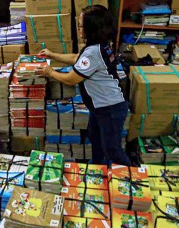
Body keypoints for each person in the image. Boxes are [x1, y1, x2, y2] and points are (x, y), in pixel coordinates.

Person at [35, 5, 131, 166]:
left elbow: (71, 79)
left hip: (110, 107)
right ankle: (98, 167)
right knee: (95, 136)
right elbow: (76, 58)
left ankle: (133, 177)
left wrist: (50, 72)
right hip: (100, 106)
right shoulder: (100, 44)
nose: (79, 29)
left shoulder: (93, 52)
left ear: (90, 28)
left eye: (81, 25)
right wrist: (52, 54)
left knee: (113, 150)